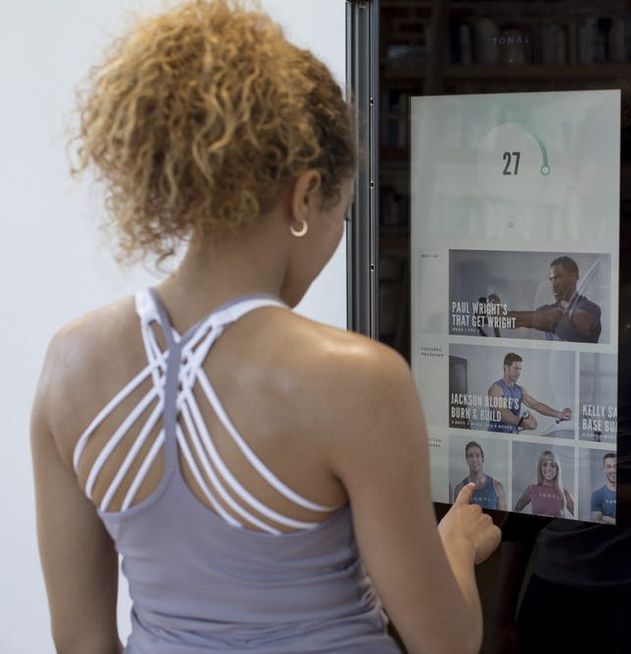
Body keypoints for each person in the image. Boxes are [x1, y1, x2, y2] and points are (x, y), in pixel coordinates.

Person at [30, 3, 499, 653]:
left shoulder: (70, 362)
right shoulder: (356, 379)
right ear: (305, 195)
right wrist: (454, 544)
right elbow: (445, 644)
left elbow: (81, 643)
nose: (339, 235)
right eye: (344, 210)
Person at [505, 256, 602, 342]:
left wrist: (512, 316)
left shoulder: (590, 308)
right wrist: (501, 317)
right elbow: (517, 321)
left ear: (574, 276)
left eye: (558, 278)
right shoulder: (545, 310)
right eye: (552, 280)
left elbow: (558, 319)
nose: (554, 286)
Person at [486, 352, 572, 433]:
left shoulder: (520, 389)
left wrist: (559, 414)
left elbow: (536, 405)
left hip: (513, 437)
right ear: (506, 368)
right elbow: (502, 413)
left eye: (520, 369)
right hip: (497, 437)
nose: (518, 372)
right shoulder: (496, 388)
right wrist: (524, 423)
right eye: (515, 368)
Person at [513, 450, 575, 518]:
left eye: (552, 465)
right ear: (540, 467)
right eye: (545, 465)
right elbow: (515, 511)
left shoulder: (565, 494)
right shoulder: (531, 489)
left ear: (557, 469)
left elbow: (582, 517)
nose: (548, 469)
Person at [453, 441, 505, 510]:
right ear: (467, 460)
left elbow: (502, 518)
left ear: (483, 459)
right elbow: (456, 518)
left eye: (477, 456)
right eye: (471, 456)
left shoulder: (497, 487)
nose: (474, 460)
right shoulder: (459, 489)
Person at [589, 453, 617, 525]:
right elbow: (596, 522)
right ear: (604, 469)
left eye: (615, 466)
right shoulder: (597, 495)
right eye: (609, 467)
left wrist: (606, 518)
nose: (613, 470)